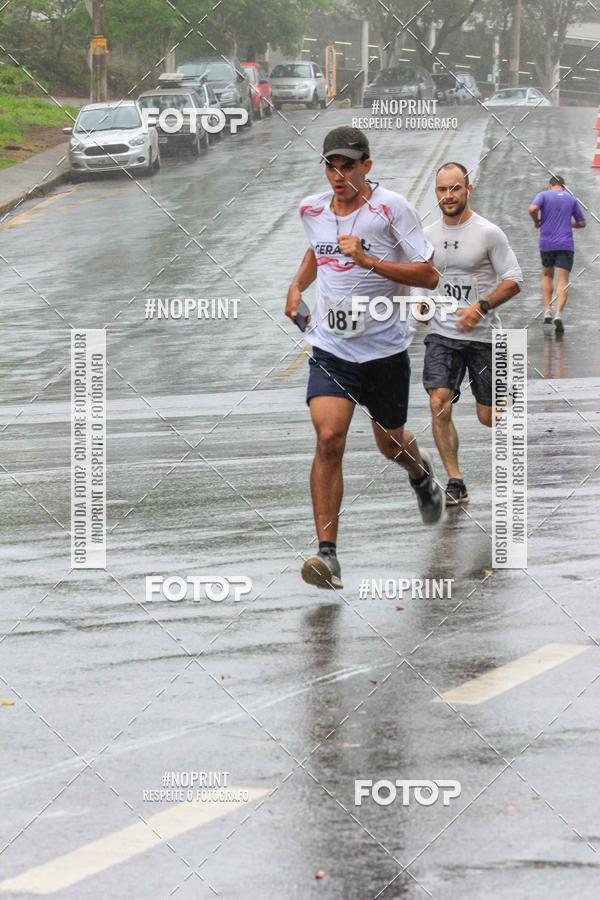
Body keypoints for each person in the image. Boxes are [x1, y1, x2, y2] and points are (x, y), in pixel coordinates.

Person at [285, 125, 444, 590]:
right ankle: (327, 555)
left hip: (385, 350)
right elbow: (318, 250)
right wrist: (297, 286)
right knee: (329, 437)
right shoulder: (311, 209)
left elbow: (430, 274)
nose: (339, 174)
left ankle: (419, 473)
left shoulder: (391, 210)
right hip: (332, 349)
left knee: (389, 442)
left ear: (366, 166)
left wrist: (370, 261)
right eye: (331, 165)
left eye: (348, 165)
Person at [421, 162, 522, 505]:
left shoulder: (488, 233)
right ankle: (455, 479)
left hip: (482, 336)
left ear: (468, 189)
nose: (448, 196)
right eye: (441, 190)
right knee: (438, 402)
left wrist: (480, 306)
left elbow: (514, 280)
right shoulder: (428, 235)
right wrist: (421, 304)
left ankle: (506, 394)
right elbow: (423, 279)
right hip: (442, 334)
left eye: (454, 189)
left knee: (490, 417)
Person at [528, 174, 586, 334]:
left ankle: (547, 310)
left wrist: (536, 221)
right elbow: (582, 223)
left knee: (547, 276)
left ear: (550, 185)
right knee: (563, 281)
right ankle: (559, 314)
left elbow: (532, 209)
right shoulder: (571, 198)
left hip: (546, 243)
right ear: (564, 186)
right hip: (566, 244)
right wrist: (570, 223)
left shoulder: (543, 195)